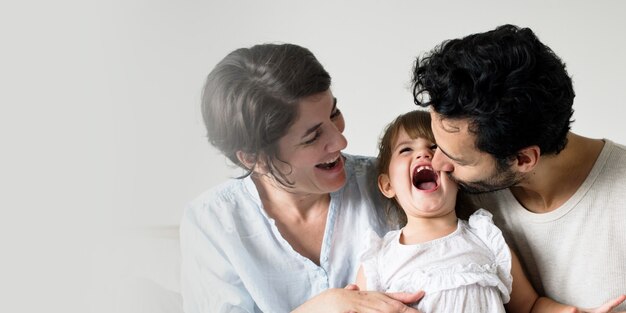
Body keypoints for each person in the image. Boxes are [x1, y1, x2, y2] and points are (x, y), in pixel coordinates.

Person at [180, 43, 424, 313]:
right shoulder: (212, 222)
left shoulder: (392, 184)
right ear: (253, 158)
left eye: (334, 114)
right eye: (313, 137)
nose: (340, 140)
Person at [411, 24, 626, 310]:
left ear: (524, 159)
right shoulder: (447, 196)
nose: (437, 164)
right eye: (437, 146)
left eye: (458, 160)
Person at [355, 109, 626, 313]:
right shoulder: (378, 259)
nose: (425, 156)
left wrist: (571, 312)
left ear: (457, 175)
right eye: (406, 149)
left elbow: (530, 306)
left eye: (435, 148)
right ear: (387, 185)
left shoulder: (486, 237)